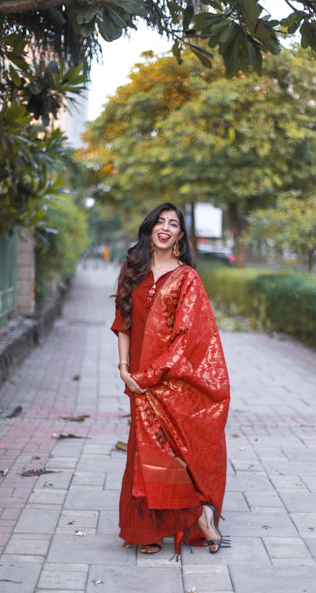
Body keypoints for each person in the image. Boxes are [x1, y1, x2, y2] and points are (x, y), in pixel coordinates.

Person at [111, 202, 230, 558]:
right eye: (159, 222)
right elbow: (123, 324)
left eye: (173, 223)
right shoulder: (131, 270)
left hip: (170, 381)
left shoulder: (187, 278)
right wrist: (124, 369)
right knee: (144, 453)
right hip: (137, 378)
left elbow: (186, 339)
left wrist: (149, 376)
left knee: (176, 452)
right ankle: (147, 530)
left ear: (180, 235)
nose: (165, 227)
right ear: (149, 229)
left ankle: (201, 515)